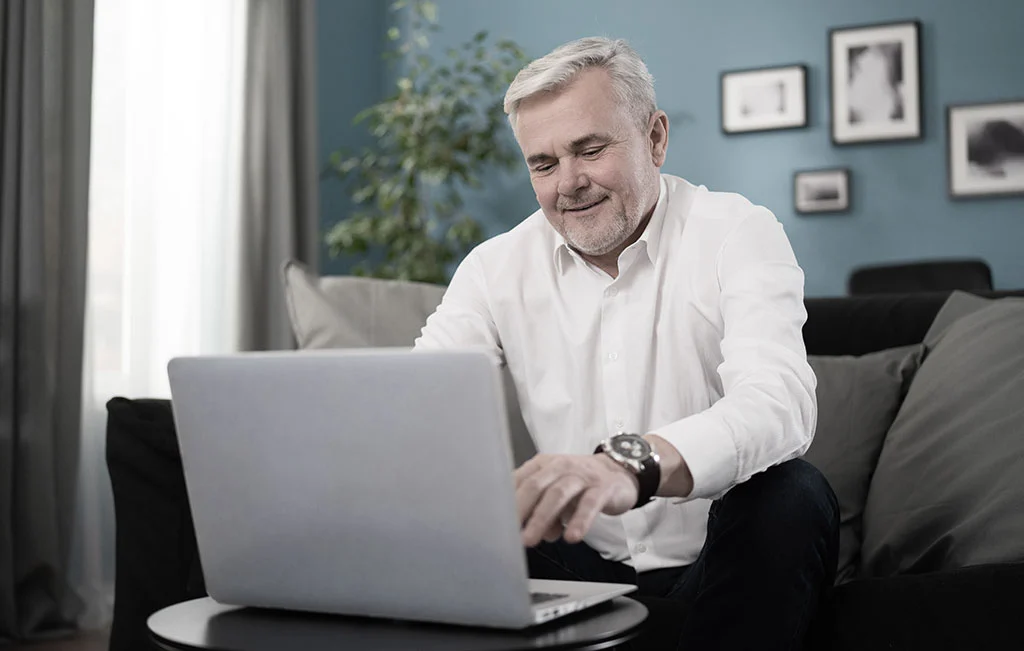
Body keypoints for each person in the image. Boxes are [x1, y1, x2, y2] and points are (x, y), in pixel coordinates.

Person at [414, 37, 839, 650]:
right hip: (577, 570)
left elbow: (780, 404)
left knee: (793, 492)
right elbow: (421, 402)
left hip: (723, 557)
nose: (568, 184)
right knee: (473, 525)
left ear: (656, 138)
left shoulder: (737, 231)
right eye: (543, 164)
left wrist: (629, 465)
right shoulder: (493, 267)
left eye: (590, 150)